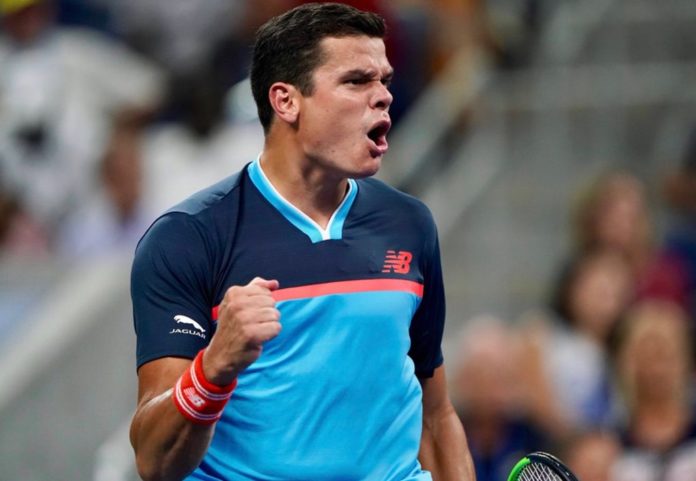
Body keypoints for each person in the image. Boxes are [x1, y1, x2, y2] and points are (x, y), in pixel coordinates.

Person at [129, 3, 476, 481]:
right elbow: (154, 460)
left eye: (385, 81)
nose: (383, 97)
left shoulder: (410, 223)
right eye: (356, 81)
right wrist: (212, 370)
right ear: (286, 101)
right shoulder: (187, 238)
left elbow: (436, 416)